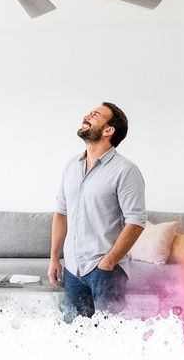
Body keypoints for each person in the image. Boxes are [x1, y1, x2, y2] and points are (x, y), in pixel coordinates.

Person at [48, 102, 146, 321]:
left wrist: (109, 261)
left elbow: (136, 221)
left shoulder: (126, 170)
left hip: (106, 272)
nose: (86, 115)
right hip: (73, 270)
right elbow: (61, 213)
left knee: (108, 335)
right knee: (72, 334)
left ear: (108, 130)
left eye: (95, 114)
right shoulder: (71, 166)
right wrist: (54, 258)